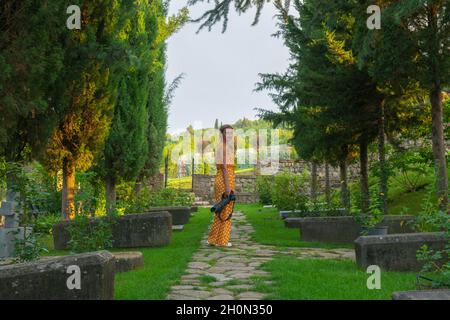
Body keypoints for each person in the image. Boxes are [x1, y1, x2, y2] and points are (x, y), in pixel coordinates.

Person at [207, 125, 236, 247]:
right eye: (226, 133)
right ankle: (222, 241)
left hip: (222, 179)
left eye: (231, 133)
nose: (229, 135)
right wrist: (228, 188)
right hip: (225, 180)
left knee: (220, 210)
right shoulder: (223, 148)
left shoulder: (222, 147)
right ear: (222, 134)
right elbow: (224, 168)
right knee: (226, 210)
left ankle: (213, 239)